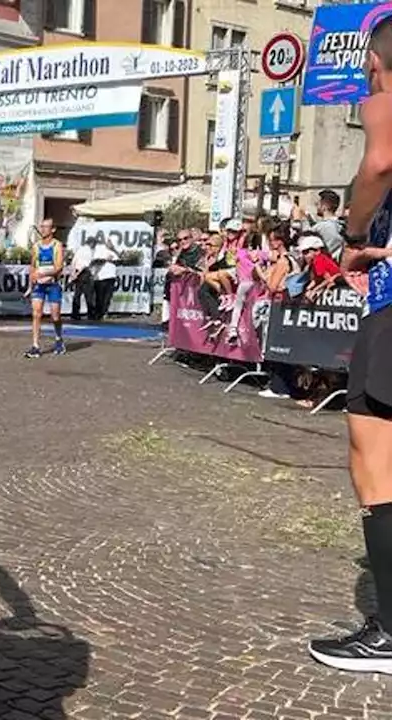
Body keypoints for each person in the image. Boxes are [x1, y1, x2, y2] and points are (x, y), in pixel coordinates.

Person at [309, 14, 393, 672]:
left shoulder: (385, 99)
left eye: (371, 71)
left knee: (375, 461)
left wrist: (353, 224)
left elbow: (380, 160)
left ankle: (390, 632)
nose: (368, 83)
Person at [24, 219, 66, 358]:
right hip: (39, 285)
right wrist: (30, 286)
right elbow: (33, 267)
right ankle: (35, 345)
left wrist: (45, 273)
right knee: (36, 314)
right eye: (41, 227)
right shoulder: (36, 246)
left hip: (53, 284)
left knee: (55, 316)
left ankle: (59, 338)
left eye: (45, 227)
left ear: (53, 229)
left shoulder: (57, 245)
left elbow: (59, 267)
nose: (42, 229)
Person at [90, 234, 119, 321]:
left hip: (111, 276)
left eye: (111, 241)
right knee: (99, 297)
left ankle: (104, 313)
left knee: (107, 297)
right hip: (100, 277)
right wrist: (105, 259)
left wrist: (114, 250)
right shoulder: (100, 250)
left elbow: (120, 259)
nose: (109, 243)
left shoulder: (114, 251)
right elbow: (94, 261)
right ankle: (97, 313)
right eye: (108, 241)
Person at [312, 189, 346, 260]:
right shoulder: (342, 225)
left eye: (317, 204)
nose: (316, 206)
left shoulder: (321, 227)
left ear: (324, 206)